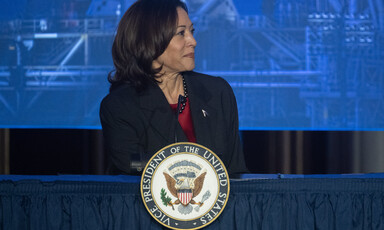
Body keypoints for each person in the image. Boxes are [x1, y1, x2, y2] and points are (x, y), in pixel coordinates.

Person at [100, 0, 248, 176]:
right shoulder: (120, 106)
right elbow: (132, 164)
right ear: (149, 40)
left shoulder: (218, 92)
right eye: (181, 33)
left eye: (191, 32)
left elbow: (235, 172)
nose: (193, 41)